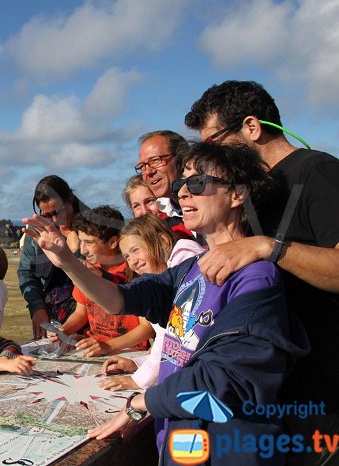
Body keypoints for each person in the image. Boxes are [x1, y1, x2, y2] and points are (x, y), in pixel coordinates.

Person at [24, 142, 309, 466]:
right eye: (180, 185)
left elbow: (225, 380)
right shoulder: (190, 268)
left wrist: (141, 402)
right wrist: (65, 260)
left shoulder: (258, 278)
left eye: (197, 183)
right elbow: (120, 300)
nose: (183, 193)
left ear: (237, 194)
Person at [185, 79, 339, 464]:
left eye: (214, 141)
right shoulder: (259, 191)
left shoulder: (316, 170)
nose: (209, 154)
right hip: (277, 389)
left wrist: (266, 246)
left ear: (251, 127)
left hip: (325, 390)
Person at [99, 214, 205, 391]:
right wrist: (137, 363)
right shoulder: (164, 271)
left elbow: (175, 334)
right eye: (127, 256)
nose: (132, 261)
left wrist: (139, 380)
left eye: (136, 250)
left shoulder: (187, 260)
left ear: (162, 241)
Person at [50, 205, 154, 357]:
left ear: (113, 242)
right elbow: (81, 313)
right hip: (95, 349)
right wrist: (64, 330)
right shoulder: (87, 271)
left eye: (89, 243)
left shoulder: (136, 271)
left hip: (129, 351)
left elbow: (147, 328)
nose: (83, 250)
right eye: (81, 242)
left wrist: (108, 346)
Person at [17, 175, 87, 338]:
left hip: (88, 320)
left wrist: (75, 251)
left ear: (70, 197)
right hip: (49, 318)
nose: (56, 219)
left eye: (59, 211)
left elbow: (100, 277)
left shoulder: (93, 228)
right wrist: (37, 307)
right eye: (48, 215)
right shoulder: (37, 231)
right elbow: (26, 272)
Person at [137, 131, 202, 245]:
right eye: (142, 166)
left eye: (155, 161)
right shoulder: (161, 224)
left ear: (182, 158)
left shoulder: (215, 197)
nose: (148, 171)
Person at [122, 175, 195, 241]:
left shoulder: (178, 228)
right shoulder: (135, 239)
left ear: (161, 200)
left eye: (149, 201)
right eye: (136, 206)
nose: (144, 211)